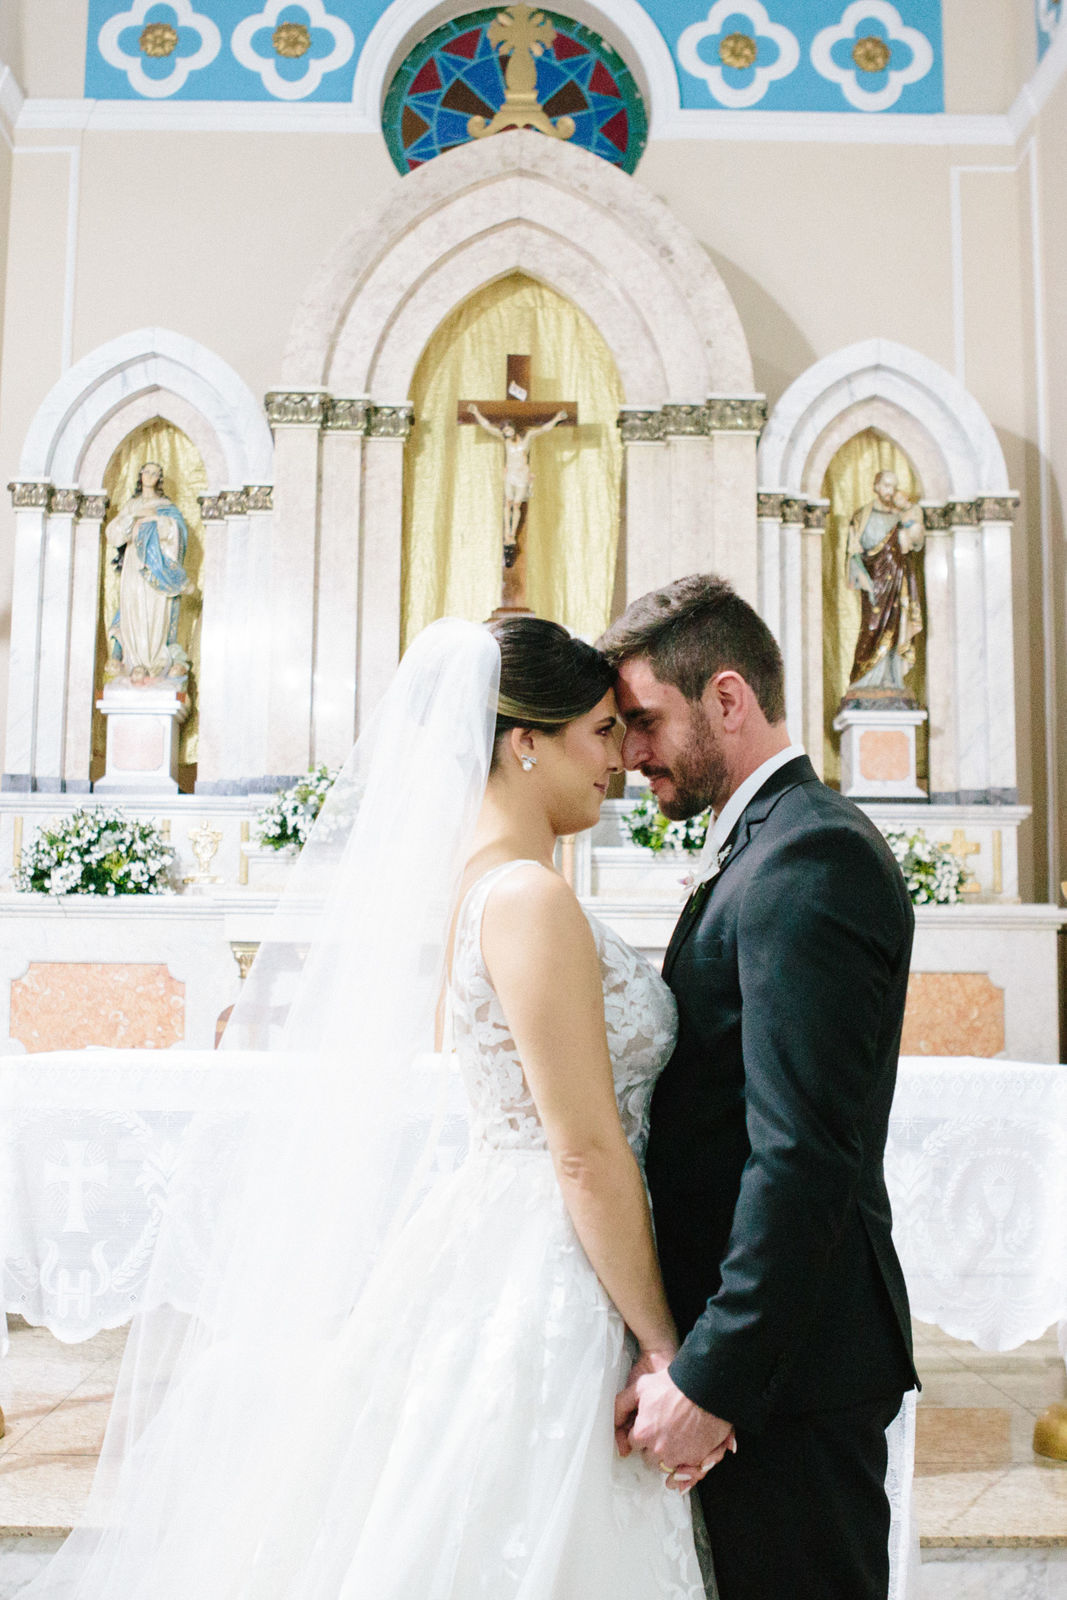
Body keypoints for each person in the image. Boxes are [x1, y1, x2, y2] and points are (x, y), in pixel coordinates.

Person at [24, 615, 718, 1600]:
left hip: (508, 1235)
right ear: (525, 741)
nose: (618, 757)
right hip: (552, 1258)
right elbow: (583, 1150)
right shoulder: (525, 896)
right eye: (600, 731)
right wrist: (664, 1344)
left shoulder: (475, 884)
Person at [600, 574, 919, 1600]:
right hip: (769, 1365)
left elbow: (802, 1155)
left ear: (725, 699)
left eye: (644, 720)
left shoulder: (808, 856)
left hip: (791, 1377)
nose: (630, 751)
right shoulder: (764, 843)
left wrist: (712, 1378)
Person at [104, 461, 193, 682]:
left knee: (155, 610)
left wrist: (155, 519)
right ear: (140, 475)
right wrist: (133, 518)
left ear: (159, 478)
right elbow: (114, 534)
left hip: (156, 565)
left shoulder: (165, 506)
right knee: (132, 606)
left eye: (155, 473)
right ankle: (133, 661)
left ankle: (155, 662)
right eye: (147, 471)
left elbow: (177, 532)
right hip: (135, 563)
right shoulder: (131, 506)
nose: (150, 476)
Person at [843, 468, 925, 703]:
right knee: (871, 628)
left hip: (898, 579)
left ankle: (892, 679)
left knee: (897, 626)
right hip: (875, 582)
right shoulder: (862, 516)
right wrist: (859, 574)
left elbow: (913, 542)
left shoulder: (900, 516)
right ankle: (864, 680)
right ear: (876, 486)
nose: (890, 491)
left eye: (893, 486)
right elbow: (854, 552)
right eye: (886, 485)